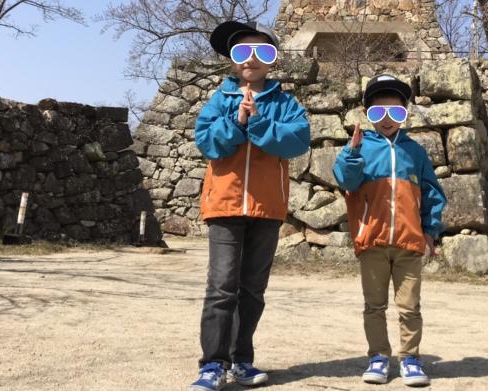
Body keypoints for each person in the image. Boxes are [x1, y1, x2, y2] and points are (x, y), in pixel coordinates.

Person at [190, 21, 310, 391]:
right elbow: (207, 142)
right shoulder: (219, 100)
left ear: (272, 61)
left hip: (267, 208)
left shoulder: (286, 103)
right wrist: (236, 120)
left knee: (253, 290)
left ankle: (241, 359)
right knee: (222, 287)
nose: (251, 59)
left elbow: (297, 140)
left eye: (262, 52)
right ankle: (213, 364)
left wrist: (258, 123)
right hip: (224, 206)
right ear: (232, 59)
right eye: (242, 51)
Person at [333, 74, 446, 387]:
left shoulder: (415, 152)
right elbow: (346, 180)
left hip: (409, 243)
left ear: (404, 113)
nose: (386, 119)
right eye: (377, 112)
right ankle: (378, 357)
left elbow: (432, 194)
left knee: (410, 307)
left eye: (395, 112)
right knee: (374, 306)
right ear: (366, 114)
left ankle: (410, 359)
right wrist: (352, 154)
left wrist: (430, 230)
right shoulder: (359, 148)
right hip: (372, 242)